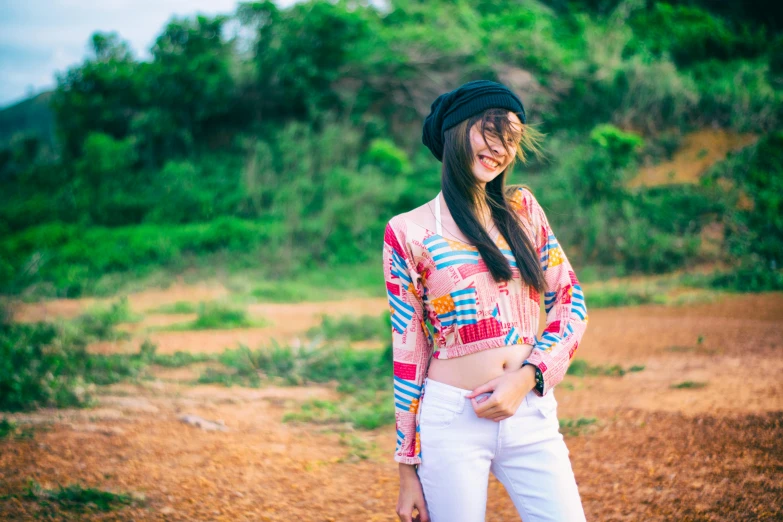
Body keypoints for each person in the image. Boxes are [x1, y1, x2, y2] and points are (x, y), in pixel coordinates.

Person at [382, 80, 589, 522]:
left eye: (511, 139)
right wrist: (406, 468)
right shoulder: (407, 232)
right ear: (456, 132)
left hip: (529, 408)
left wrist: (530, 377)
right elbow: (409, 349)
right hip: (451, 420)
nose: (500, 148)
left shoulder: (523, 211)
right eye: (489, 131)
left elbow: (571, 302)